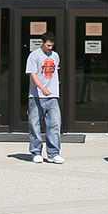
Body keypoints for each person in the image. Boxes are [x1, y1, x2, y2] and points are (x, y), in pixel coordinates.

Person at [26, 33, 64, 164]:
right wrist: (42, 88)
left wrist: (51, 90)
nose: (50, 48)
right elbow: (33, 74)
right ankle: (36, 152)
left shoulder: (55, 56)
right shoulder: (34, 55)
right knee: (34, 124)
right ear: (42, 42)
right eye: (48, 45)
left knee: (54, 124)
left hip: (52, 96)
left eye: (52, 45)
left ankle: (54, 153)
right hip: (36, 96)